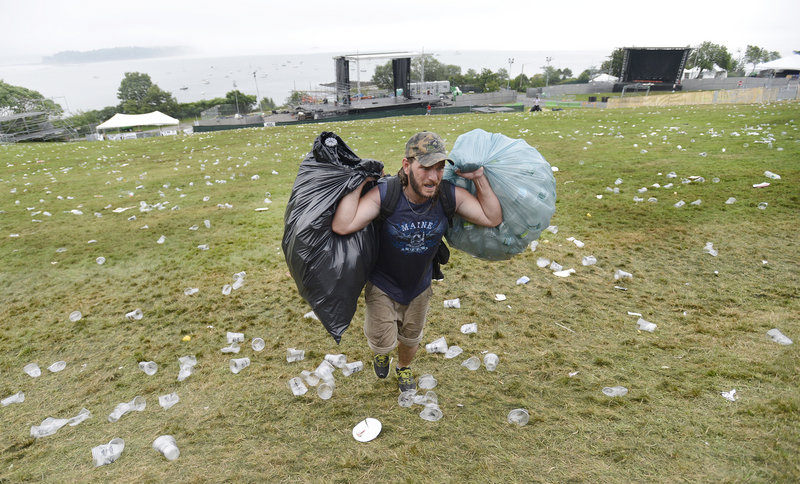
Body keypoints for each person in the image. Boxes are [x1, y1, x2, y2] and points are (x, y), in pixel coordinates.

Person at [332, 132, 502, 392]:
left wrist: (479, 178)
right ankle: (381, 353)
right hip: (382, 284)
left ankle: (403, 368)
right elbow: (343, 225)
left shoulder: (446, 195)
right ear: (406, 165)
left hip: (420, 285)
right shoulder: (386, 194)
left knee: (411, 339)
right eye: (425, 168)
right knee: (382, 340)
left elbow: (491, 217)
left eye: (440, 168)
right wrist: (358, 182)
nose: (433, 177)